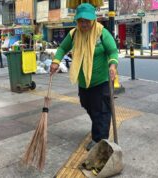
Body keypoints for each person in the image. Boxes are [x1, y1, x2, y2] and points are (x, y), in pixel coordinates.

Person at [50, 3, 118, 151]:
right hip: (84, 82)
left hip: (101, 81)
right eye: (81, 21)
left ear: (93, 20)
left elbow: (113, 51)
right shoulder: (74, 34)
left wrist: (112, 65)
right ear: (77, 21)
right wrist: (56, 61)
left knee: (102, 110)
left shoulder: (102, 33)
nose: (84, 24)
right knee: (88, 106)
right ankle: (99, 127)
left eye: (87, 20)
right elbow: (62, 48)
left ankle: (99, 139)